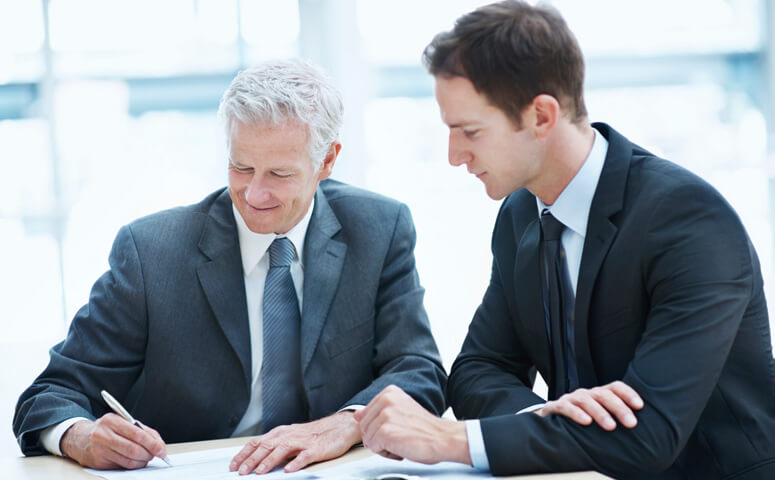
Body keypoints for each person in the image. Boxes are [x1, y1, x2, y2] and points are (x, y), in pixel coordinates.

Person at [354, 2, 775, 479]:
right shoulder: (521, 214)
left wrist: (449, 439)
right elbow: (476, 371)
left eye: (469, 131)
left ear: (541, 115)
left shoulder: (689, 222)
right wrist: (552, 416)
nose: (454, 156)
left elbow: (649, 436)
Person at [13, 58, 446, 475]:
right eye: (241, 167)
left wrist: (348, 422)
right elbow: (49, 395)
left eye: (279, 173)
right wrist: (80, 436)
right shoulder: (152, 251)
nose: (254, 193)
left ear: (327, 161)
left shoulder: (378, 229)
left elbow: (419, 371)